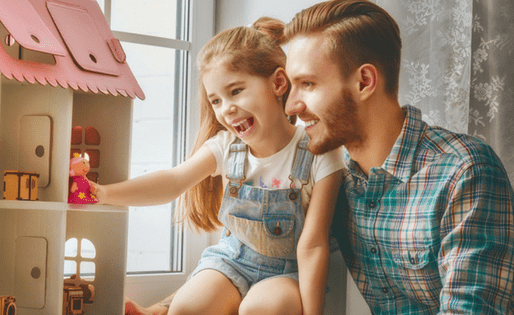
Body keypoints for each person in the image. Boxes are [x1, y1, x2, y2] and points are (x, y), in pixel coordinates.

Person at [93, 17, 344, 315]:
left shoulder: (319, 152)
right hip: (231, 260)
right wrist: (104, 193)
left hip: (287, 272)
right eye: (216, 100)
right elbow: (173, 182)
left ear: (278, 83)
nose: (226, 109)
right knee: (186, 308)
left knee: (260, 309)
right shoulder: (226, 147)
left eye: (236, 91)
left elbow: (313, 245)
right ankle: (163, 309)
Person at [282, 0, 514, 314]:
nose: (291, 106)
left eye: (307, 84)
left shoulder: (465, 170)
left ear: (364, 81)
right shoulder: (335, 181)